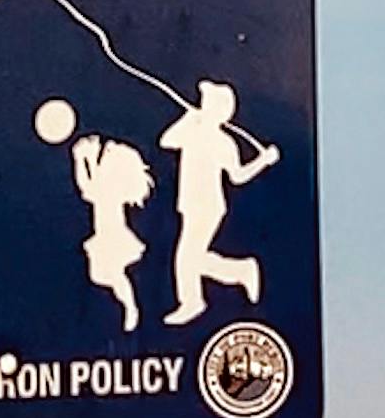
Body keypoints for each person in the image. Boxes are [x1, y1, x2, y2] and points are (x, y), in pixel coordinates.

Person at [159, 81, 277, 325]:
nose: (202, 104)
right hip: (189, 202)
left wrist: (262, 161)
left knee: (187, 257)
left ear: (220, 111)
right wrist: (187, 120)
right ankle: (240, 272)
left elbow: (237, 176)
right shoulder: (192, 130)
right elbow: (166, 141)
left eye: (208, 101)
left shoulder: (225, 143)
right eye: (204, 100)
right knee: (191, 257)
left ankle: (194, 301)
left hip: (209, 205)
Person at [70, 132, 153, 330]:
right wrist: (85, 158)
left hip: (112, 235)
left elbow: (88, 188)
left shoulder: (109, 190)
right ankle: (129, 304)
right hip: (106, 235)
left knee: (113, 274)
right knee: (100, 275)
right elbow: (89, 188)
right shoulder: (105, 187)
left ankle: (131, 307)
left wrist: (84, 158)